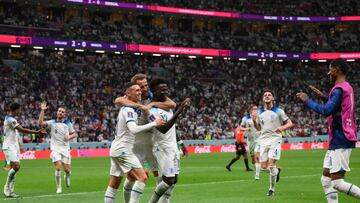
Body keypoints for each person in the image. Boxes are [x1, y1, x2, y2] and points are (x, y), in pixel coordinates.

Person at [114, 74, 188, 202]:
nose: (144, 88)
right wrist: (140, 106)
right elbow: (118, 100)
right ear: (134, 88)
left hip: (151, 141)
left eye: (146, 85)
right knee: (135, 178)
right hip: (136, 142)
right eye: (140, 86)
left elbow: (172, 104)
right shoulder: (133, 99)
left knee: (162, 178)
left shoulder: (153, 99)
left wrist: (152, 103)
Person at [297, 58, 360, 202]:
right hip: (338, 138)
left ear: (337, 70)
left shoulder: (339, 89)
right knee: (326, 179)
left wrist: (307, 100)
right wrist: (324, 97)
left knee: (337, 182)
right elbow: (338, 108)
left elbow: (326, 111)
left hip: (341, 137)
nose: (328, 73)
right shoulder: (346, 87)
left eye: (330, 69)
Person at [104, 82, 165, 203]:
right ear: (128, 93)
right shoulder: (128, 109)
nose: (140, 92)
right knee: (142, 177)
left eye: (140, 90)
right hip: (123, 149)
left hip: (117, 149)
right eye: (136, 90)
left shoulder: (131, 108)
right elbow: (133, 129)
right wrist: (154, 123)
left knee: (115, 183)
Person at [147, 78, 191, 203]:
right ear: (154, 91)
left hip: (173, 148)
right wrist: (180, 110)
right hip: (162, 148)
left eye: (166, 89)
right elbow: (163, 129)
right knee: (168, 180)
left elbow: (172, 128)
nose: (166, 92)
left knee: (174, 180)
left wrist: (181, 144)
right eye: (162, 89)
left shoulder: (167, 107)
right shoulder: (150, 111)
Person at [253, 90, 294, 196]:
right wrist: (254, 121)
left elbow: (290, 123)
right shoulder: (259, 112)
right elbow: (258, 127)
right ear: (263, 99)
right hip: (263, 140)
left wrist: (282, 127)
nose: (267, 96)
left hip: (275, 139)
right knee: (263, 166)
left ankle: (271, 189)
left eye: (269, 95)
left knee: (271, 164)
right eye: (265, 95)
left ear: (272, 99)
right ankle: (277, 171)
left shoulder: (279, 111)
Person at [3, 102, 46, 198]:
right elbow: (21, 129)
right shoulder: (10, 119)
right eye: (19, 109)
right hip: (9, 147)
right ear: (16, 109)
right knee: (16, 167)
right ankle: (6, 188)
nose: (20, 111)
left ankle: (11, 191)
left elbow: (15, 133)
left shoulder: (11, 119)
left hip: (14, 147)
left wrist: (19, 146)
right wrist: (36, 132)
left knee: (13, 169)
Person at [38, 101, 77, 194]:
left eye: (62, 112)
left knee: (67, 170)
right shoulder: (52, 122)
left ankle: (67, 176)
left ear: (65, 114)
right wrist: (42, 111)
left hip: (65, 149)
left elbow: (75, 134)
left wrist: (70, 137)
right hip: (55, 148)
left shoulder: (68, 123)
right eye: (59, 111)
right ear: (57, 112)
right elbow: (40, 123)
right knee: (58, 167)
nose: (60, 113)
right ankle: (59, 187)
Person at [239, 104, 261, 180]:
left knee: (257, 155)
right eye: (254, 109)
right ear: (250, 110)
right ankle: (256, 171)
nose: (256, 110)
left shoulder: (259, 117)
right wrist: (246, 129)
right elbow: (240, 127)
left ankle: (257, 175)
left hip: (259, 139)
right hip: (250, 140)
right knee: (252, 158)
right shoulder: (245, 118)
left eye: (257, 109)